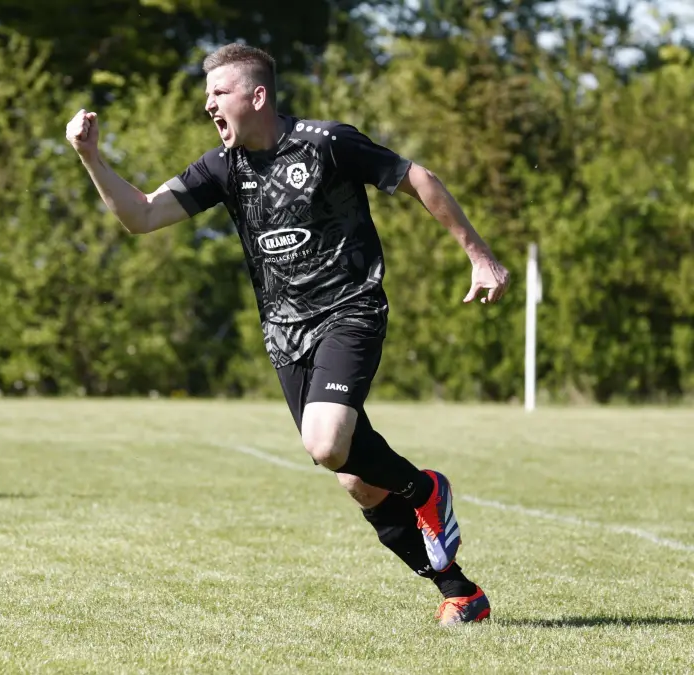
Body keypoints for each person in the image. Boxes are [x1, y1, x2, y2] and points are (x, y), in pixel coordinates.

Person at [64, 44, 509, 626]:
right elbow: (142, 215)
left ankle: (425, 490)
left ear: (258, 96)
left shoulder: (327, 144)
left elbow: (416, 178)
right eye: (207, 95)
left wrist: (478, 254)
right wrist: (91, 157)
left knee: (325, 444)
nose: (208, 105)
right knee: (355, 478)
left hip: (350, 310)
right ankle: (461, 592)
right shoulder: (222, 167)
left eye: (218, 93)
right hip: (284, 335)